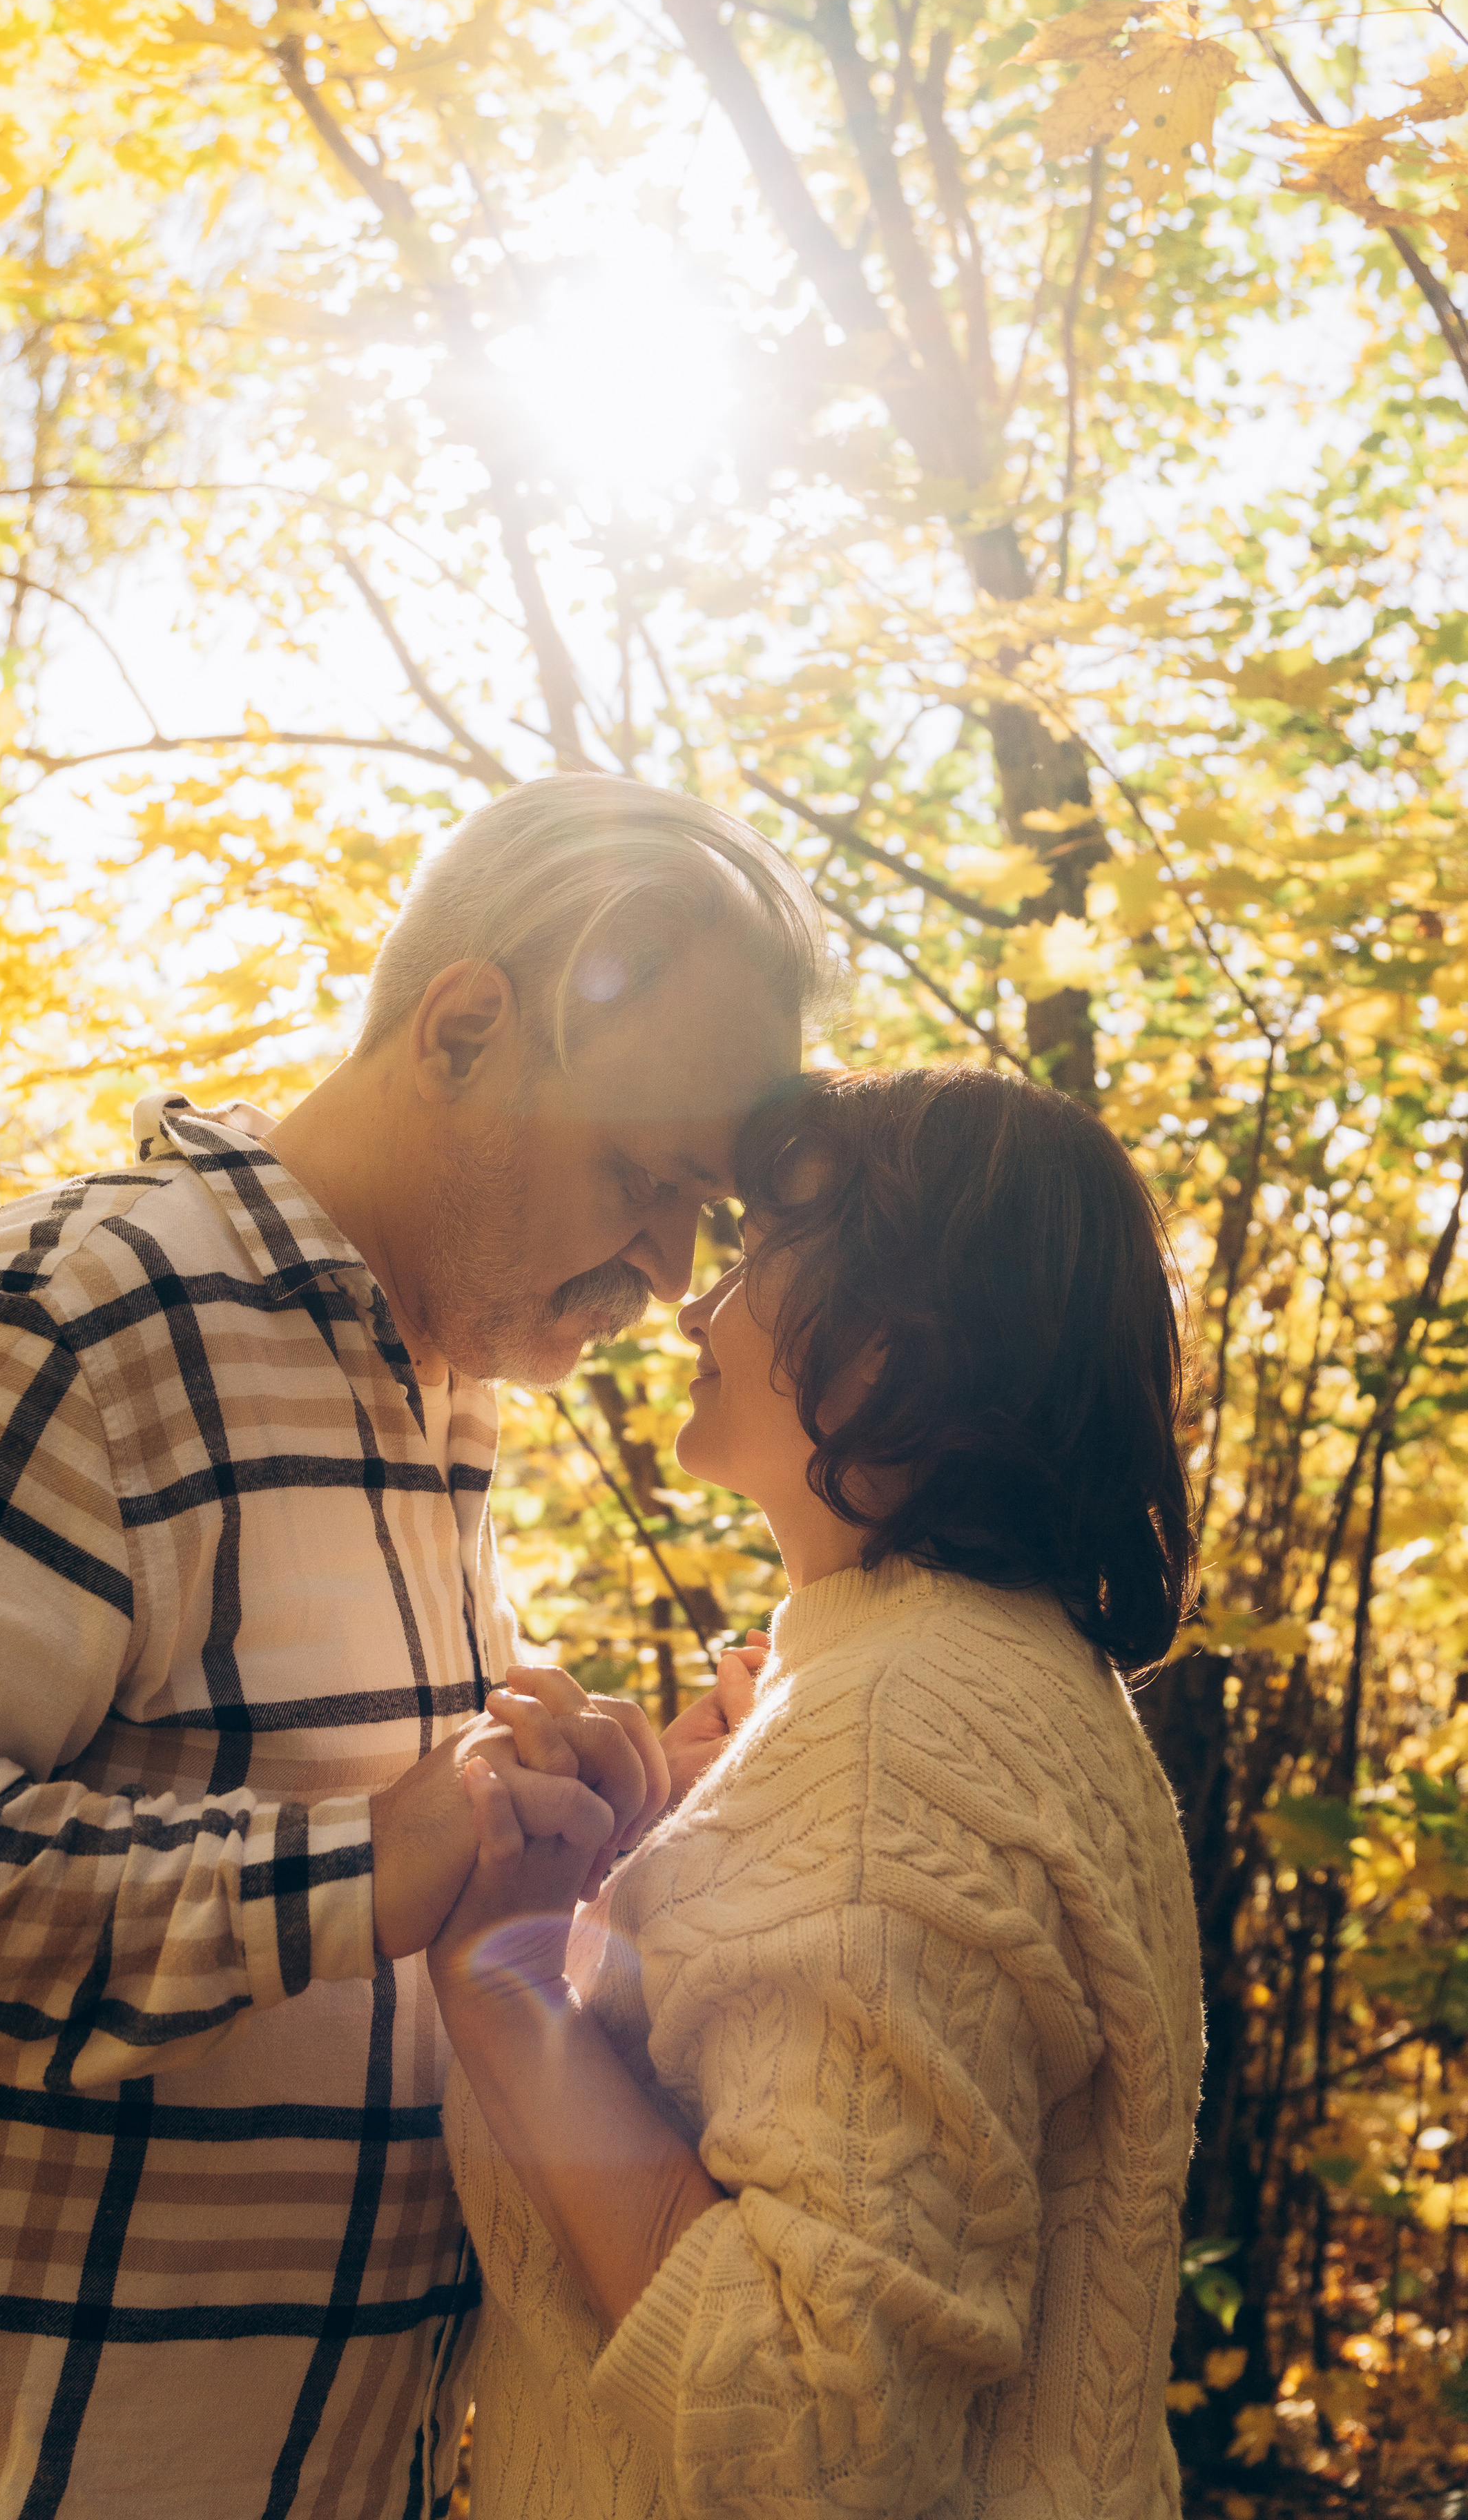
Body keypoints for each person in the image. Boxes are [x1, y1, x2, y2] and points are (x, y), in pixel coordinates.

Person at [0, 777, 829, 2520]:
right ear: (462, 1027)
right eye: (639, 1173)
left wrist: (601, 1841)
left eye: (704, 1210)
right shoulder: (79, 1321)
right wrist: (351, 1872)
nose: (671, 1269)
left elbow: (345, 1925)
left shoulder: (433, 1401)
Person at [434, 1063, 1207, 2520]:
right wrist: (647, 1863)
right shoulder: (998, 1679)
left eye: (753, 1257)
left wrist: (503, 1979)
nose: (690, 1306)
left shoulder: (893, 1730)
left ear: (901, 1340)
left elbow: (812, 2444)